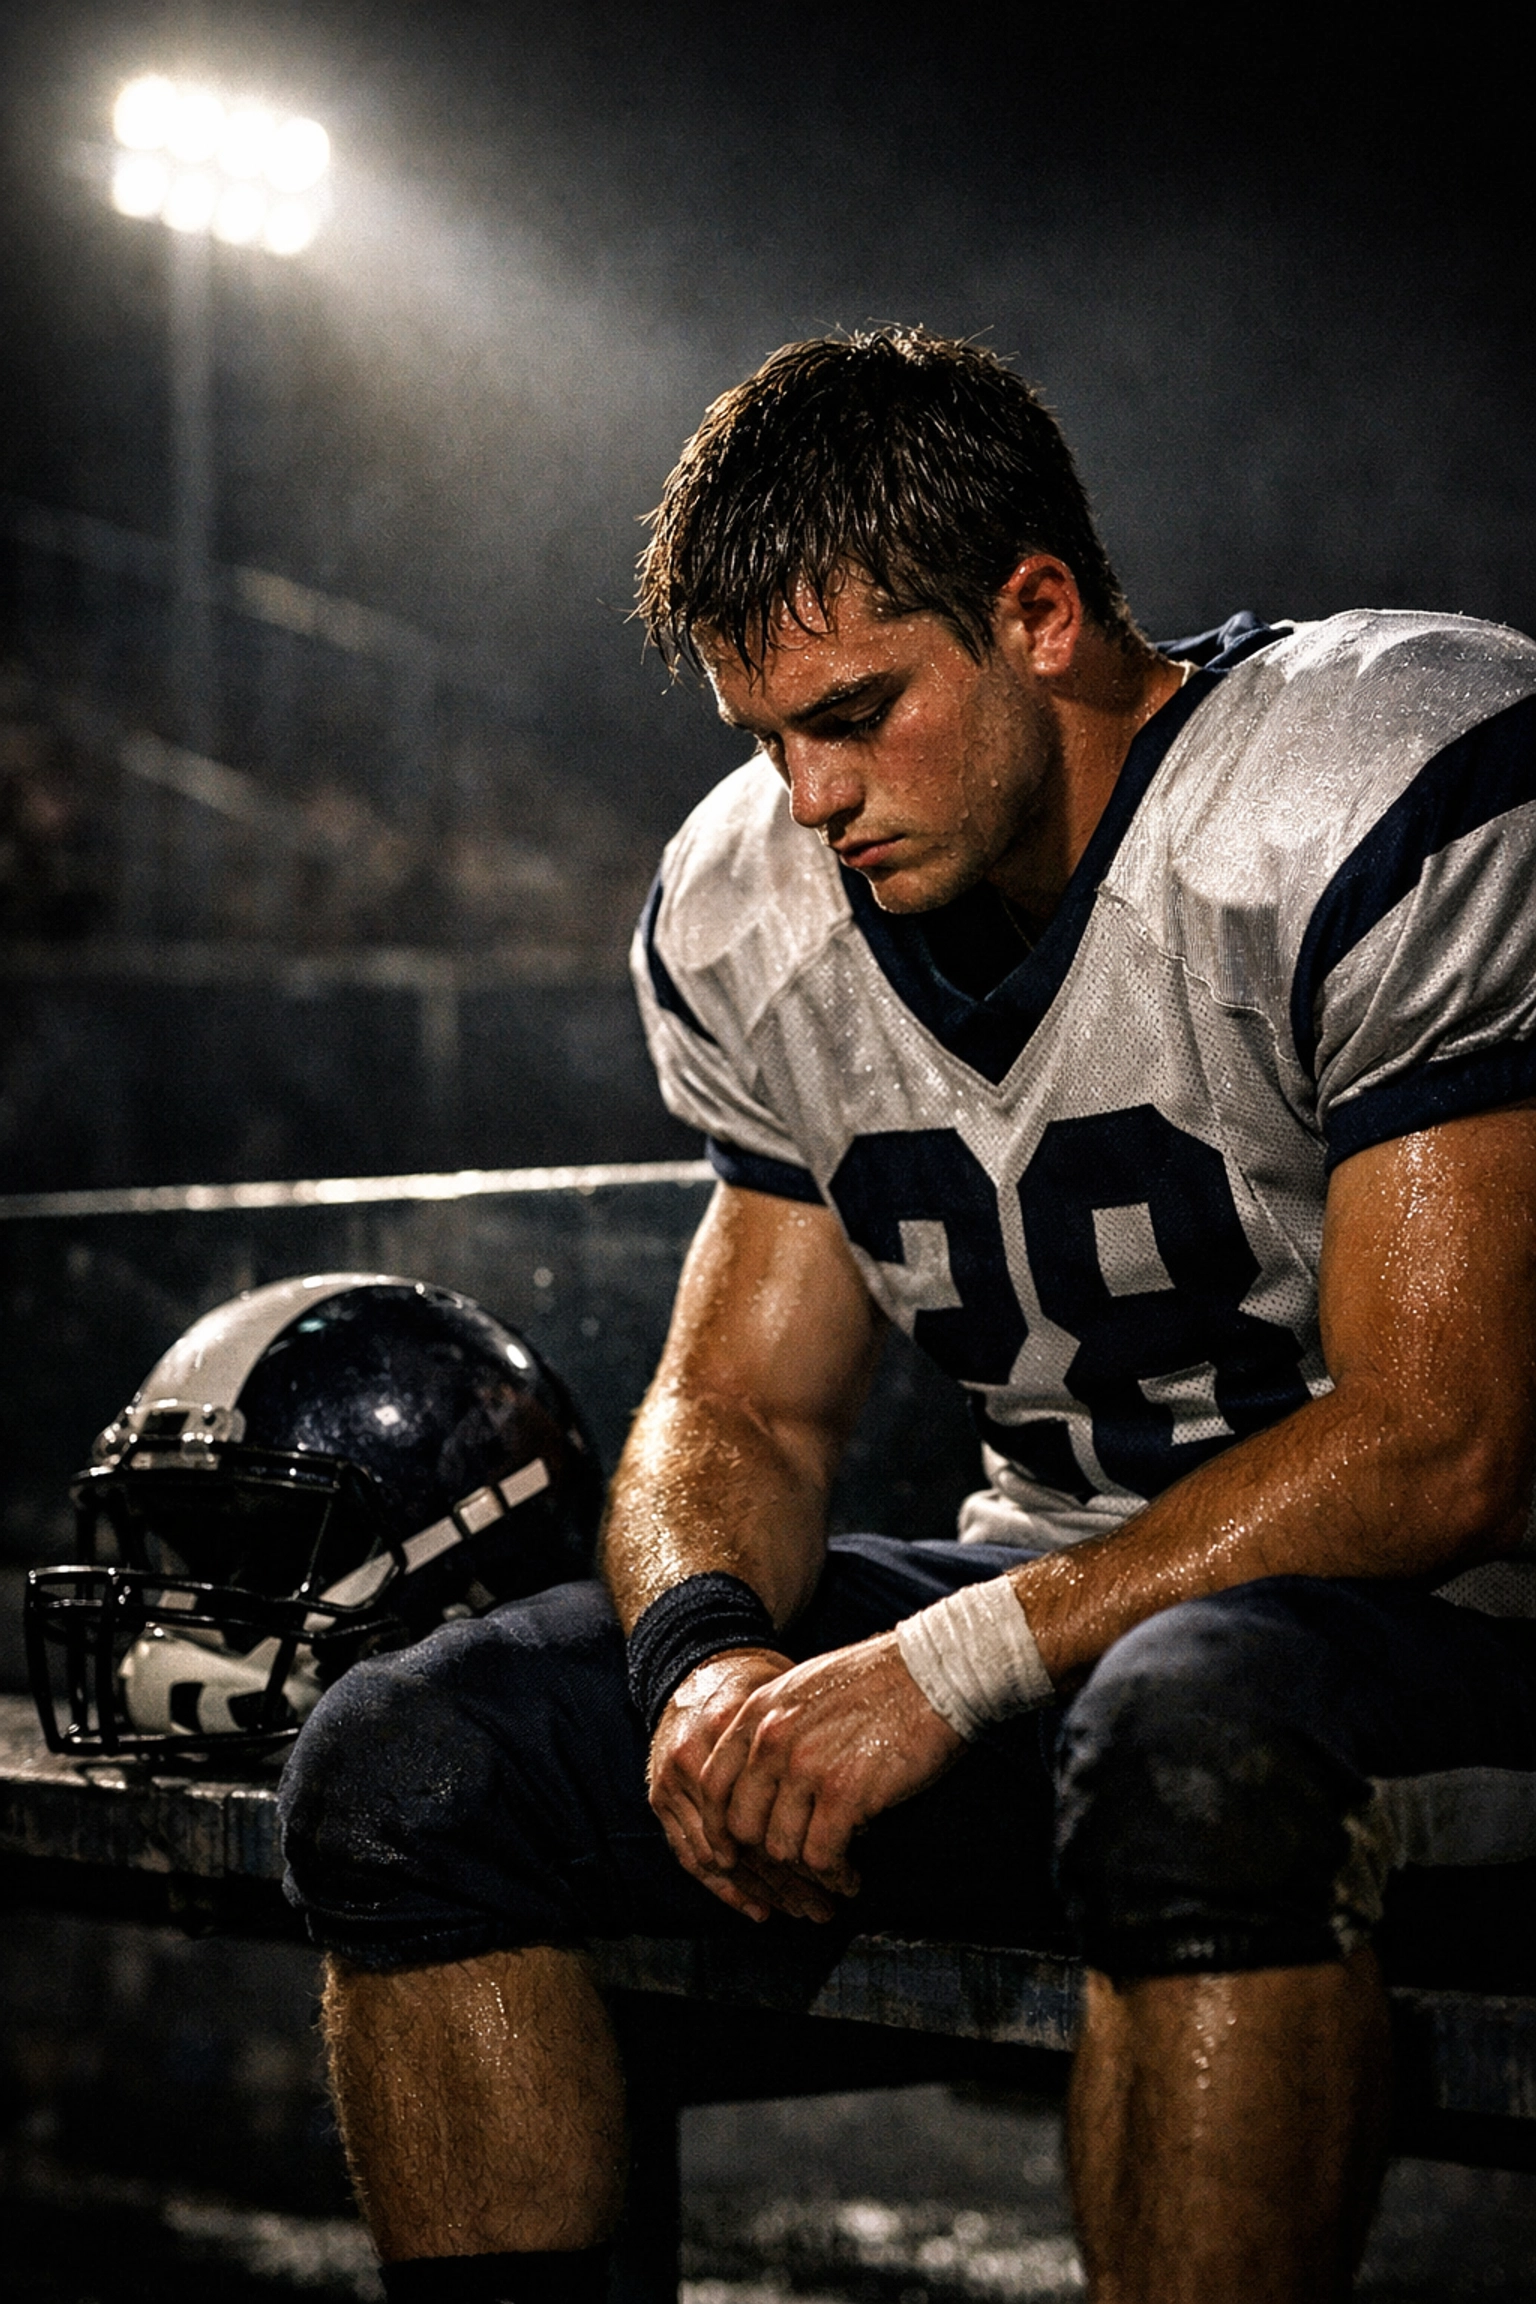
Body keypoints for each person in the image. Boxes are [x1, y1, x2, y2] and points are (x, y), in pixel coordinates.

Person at [279, 327, 1536, 2304]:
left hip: (1448, 1638)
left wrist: (942, 1672)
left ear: (1041, 612)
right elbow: (746, 1416)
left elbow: (1445, 1441)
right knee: (410, 1768)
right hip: (1048, 1628)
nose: (807, 796)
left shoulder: (1376, 782)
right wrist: (704, 1667)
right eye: (764, 733)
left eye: (854, 713)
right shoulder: (752, 916)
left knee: (1190, 1738)